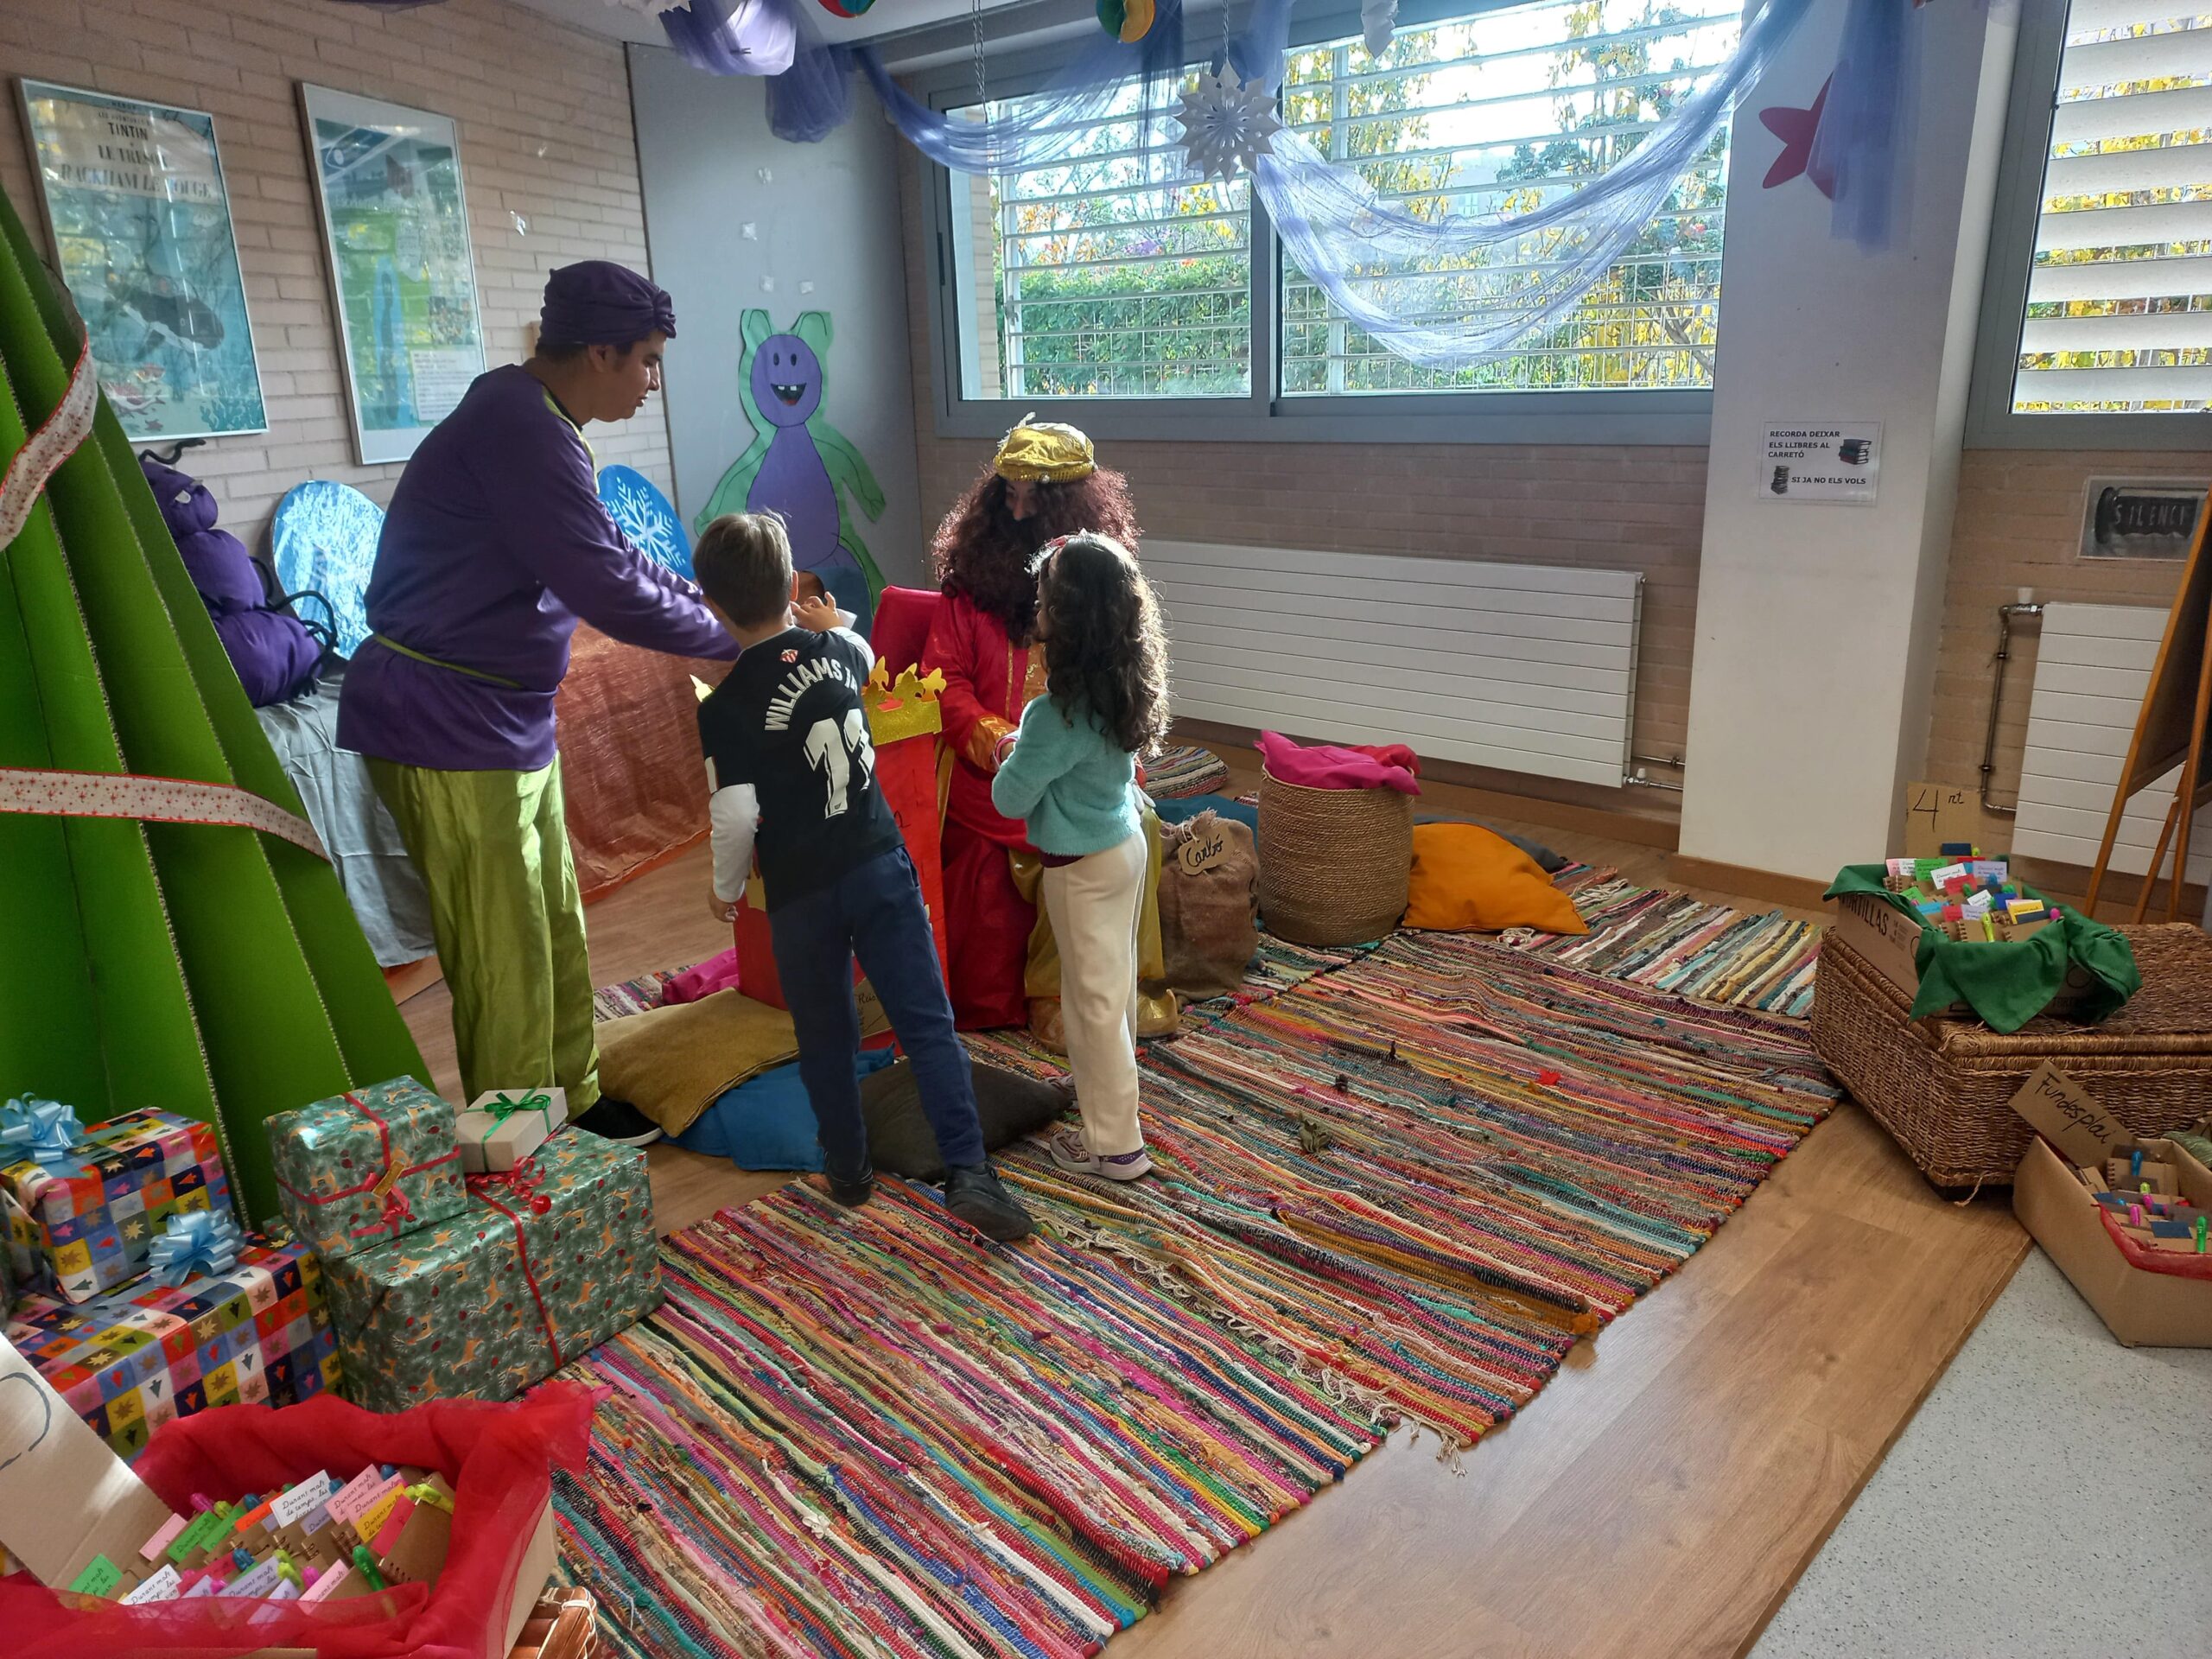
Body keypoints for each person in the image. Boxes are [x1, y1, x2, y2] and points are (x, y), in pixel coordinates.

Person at [339, 261, 735, 1147]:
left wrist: (720, 611)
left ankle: (574, 1096)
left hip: (502, 717)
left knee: (551, 916)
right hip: (444, 719)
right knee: (503, 948)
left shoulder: (540, 419)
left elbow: (615, 554)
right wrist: (730, 642)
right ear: (599, 352)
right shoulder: (520, 427)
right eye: (647, 360)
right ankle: (524, 1144)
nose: (653, 381)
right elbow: (603, 585)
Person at [691, 511, 1034, 1242]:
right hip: (879, 863)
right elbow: (856, 645)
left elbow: (736, 814)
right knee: (926, 1022)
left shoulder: (723, 708)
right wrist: (833, 621)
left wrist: (725, 889)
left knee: (826, 1035)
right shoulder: (842, 655)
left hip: (801, 892)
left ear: (712, 605)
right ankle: (970, 1171)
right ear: (792, 586)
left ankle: (848, 1168)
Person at [927, 417, 1173, 1036]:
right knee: (1036, 825)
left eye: (1031, 500)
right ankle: (1055, 998)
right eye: (1006, 496)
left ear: (1070, 508)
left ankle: (1121, 985)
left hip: (1075, 762)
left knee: (1138, 818)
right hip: (993, 774)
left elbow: (1123, 685)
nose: (1015, 512)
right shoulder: (968, 591)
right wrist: (998, 742)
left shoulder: (1094, 584)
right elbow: (944, 684)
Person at [991, 534, 1170, 1179]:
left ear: (1063, 620)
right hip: (1126, 845)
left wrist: (1009, 752)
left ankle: (1117, 1147)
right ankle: (1106, 1100)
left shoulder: (1053, 714)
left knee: (1090, 1007)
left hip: (1081, 869)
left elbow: (1010, 799)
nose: (1036, 611)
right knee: (1111, 993)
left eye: (1044, 602)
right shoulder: (1122, 685)